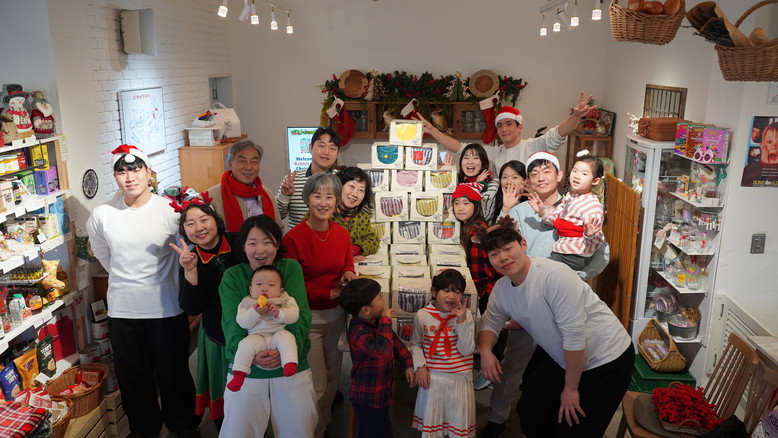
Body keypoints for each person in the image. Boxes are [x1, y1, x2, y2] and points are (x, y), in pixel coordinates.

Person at [481, 151, 610, 438]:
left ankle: (558, 418)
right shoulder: (520, 211)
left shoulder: (578, 204)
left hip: (565, 304)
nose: (540, 178)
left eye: (547, 171)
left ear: (560, 174)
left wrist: (576, 279)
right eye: (534, 173)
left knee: (565, 364)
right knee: (513, 364)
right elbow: (498, 249)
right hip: (528, 307)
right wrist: (506, 209)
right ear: (528, 179)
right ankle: (497, 418)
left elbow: (601, 253)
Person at [86, 144, 200, 438]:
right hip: (123, 311)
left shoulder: (170, 211)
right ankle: (144, 430)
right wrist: (126, 276)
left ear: (149, 173)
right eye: (122, 172)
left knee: (174, 375)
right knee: (133, 379)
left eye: (136, 170)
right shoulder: (102, 214)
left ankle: (183, 427)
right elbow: (103, 254)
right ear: (115, 176)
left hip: (166, 309)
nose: (130, 177)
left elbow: (185, 253)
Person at [479, 226, 633, 437]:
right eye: (494, 254)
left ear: (523, 245)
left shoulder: (554, 276)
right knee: (530, 410)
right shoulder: (502, 289)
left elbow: (574, 337)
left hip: (607, 358)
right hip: (565, 357)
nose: (503, 257)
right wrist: (486, 351)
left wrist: (570, 389)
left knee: (572, 429)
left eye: (508, 248)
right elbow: (490, 323)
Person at [219, 215, 316, 436]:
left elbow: (300, 316)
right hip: (247, 365)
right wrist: (252, 357)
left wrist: (286, 352)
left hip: (290, 361)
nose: (260, 250)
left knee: (298, 429)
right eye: (252, 243)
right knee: (239, 430)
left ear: (277, 243)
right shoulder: (233, 276)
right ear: (243, 247)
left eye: (267, 242)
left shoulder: (289, 268)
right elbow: (232, 325)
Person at [283, 172, 357, 438]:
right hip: (309, 320)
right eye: (317, 196)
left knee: (333, 376)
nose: (323, 203)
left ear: (336, 201)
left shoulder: (341, 234)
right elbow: (292, 287)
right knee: (317, 384)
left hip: (336, 317)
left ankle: (322, 426)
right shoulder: (293, 238)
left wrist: (349, 273)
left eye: (329, 197)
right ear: (307, 199)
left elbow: (348, 263)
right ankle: (309, 431)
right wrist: (328, 292)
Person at [169, 193, 238, 431]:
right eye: (190, 224)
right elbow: (192, 308)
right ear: (184, 231)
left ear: (216, 220)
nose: (199, 228)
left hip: (251, 327)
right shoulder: (189, 259)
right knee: (223, 391)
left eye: (204, 219)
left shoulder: (239, 242)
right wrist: (190, 272)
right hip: (216, 334)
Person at [419, 91, 598, 174]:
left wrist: (575, 116)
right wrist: (433, 130)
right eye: (500, 126)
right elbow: (460, 148)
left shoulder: (533, 146)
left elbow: (557, 134)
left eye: (509, 124)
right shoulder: (494, 152)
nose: (504, 129)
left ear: (519, 127)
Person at [340, 278, 415, 438]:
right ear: (366, 310)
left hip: (381, 394)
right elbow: (382, 352)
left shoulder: (375, 321)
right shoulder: (358, 331)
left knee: (371, 431)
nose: (384, 300)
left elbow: (395, 342)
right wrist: (386, 321)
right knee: (378, 432)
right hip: (367, 397)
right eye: (380, 297)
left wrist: (408, 363)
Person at [411, 269, 476, 438]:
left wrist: (461, 321)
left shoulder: (467, 315)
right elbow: (416, 344)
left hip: (460, 379)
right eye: (446, 290)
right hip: (433, 378)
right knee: (434, 429)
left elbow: (467, 349)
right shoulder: (422, 315)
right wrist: (420, 367)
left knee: (458, 428)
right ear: (434, 291)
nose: (452, 296)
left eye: (457, 292)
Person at [528, 151, 605, 271]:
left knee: (546, 274)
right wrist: (542, 212)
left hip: (575, 254)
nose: (577, 176)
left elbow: (598, 238)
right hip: (562, 249)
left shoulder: (593, 205)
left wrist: (589, 234)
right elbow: (556, 219)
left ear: (595, 181)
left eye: (584, 173)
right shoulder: (570, 196)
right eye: (575, 171)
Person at [227, 265, 300, 392]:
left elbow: (294, 316)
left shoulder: (285, 300)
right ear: (251, 289)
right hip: (256, 337)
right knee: (245, 344)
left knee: (287, 337)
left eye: (271, 285)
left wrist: (279, 313)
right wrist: (255, 313)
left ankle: (289, 363)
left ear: (281, 290)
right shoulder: (247, 303)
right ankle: (239, 374)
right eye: (259, 284)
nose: (264, 288)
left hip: (277, 334)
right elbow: (242, 322)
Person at [208, 138, 282, 232]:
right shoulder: (212, 197)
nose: (248, 167)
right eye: (242, 161)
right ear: (230, 164)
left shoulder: (267, 194)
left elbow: (279, 229)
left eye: (254, 162)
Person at [278, 127, 341, 231]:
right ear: (311, 148)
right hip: (298, 239)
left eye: (332, 148)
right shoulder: (293, 180)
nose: (326, 152)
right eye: (322, 146)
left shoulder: (342, 180)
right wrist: (285, 196)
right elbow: (278, 216)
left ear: (337, 154)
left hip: (332, 239)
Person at [451, 182, 499, 313]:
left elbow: (478, 268)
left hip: (486, 292)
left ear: (475, 205)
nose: (460, 208)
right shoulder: (465, 226)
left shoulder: (477, 230)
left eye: (466, 203)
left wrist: (475, 294)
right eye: (456, 203)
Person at [333, 166, 380, 260]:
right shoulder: (323, 211)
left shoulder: (361, 216)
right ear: (340, 186)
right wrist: (344, 256)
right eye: (352, 186)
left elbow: (373, 240)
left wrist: (355, 250)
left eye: (361, 190)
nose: (355, 194)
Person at [457, 143, 499, 223]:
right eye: (466, 158)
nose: (470, 162)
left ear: (483, 162)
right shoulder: (458, 181)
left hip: (480, 229)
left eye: (475, 158)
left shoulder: (492, 184)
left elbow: (484, 215)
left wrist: (476, 186)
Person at [488, 161, 529, 226]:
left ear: (525, 180)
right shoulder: (494, 203)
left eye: (514, 177)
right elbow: (496, 231)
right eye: (505, 177)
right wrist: (506, 208)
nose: (509, 182)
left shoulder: (532, 204)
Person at [742, 121, 778, 187]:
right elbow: (746, 186)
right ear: (762, 146)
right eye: (769, 142)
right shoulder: (750, 168)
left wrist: (775, 166)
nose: (774, 147)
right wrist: (764, 165)